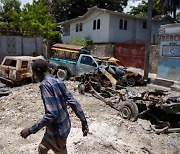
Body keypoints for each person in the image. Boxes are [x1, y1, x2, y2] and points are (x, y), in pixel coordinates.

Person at [20, 59, 88, 154]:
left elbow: (52, 114)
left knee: (59, 150)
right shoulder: (57, 81)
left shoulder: (45, 85)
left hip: (57, 132)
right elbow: (74, 102)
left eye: (34, 72)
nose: (34, 76)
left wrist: (30, 130)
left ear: (38, 71)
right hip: (60, 127)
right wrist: (84, 122)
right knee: (42, 148)